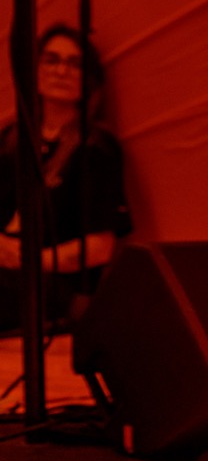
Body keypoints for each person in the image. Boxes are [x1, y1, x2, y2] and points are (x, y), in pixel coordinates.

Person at [1, 24, 131, 334]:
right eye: (51, 60)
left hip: (54, 285)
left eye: (74, 64)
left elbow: (101, 248)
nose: (61, 71)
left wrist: (32, 261)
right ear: (34, 70)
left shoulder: (97, 147)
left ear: (89, 79)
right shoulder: (9, 140)